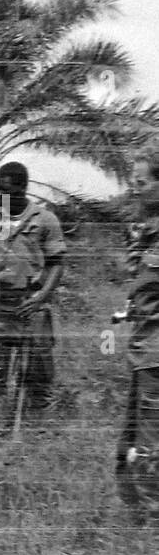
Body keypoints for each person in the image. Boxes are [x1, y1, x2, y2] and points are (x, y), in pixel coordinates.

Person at [0, 161, 66, 411]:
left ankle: (38, 414)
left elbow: (57, 263)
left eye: (5, 190)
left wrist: (42, 297)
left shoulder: (45, 220)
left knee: (38, 362)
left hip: (30, 301)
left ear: (22, 189)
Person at [117, 145, 159, 524]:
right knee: (138, 433)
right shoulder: (144, 230)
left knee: (151, 439)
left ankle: (152, 516)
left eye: (142, 183)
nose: (135, 189)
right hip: (144, 348)